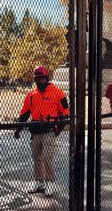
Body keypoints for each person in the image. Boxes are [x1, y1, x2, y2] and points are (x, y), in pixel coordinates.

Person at [14, 66, 70, 197]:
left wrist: (58, 129)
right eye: (37, 79)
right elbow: (25, 113)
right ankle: (39, 182)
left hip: (50, 130)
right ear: (35, 80)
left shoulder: (58, 93)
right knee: (37, 157)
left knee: (47, 157)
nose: (40, 81)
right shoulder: (31, 95)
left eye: (42, 78)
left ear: (47, 78)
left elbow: (65, 113)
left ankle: (50, 183)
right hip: (36, 130)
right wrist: (18, 129)